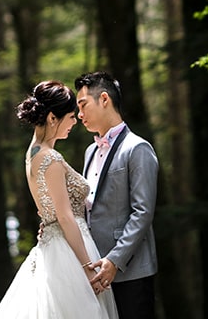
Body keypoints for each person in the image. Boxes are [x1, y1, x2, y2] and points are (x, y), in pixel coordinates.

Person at [0, 80, 118, 319]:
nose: (75, 122)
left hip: (54, 243)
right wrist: (87, 268)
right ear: (52, 118)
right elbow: (65, 216)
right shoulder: (51, 158)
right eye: (70, 117)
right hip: (69, 249)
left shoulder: (32, 153)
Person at [74, 71, 158, 319]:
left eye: (83, 105)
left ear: (103, 99)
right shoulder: (90, 151)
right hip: (95, 271)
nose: (79, 115)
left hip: (131, 271)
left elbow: (143, 212)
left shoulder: (138, 148)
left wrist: (115, 260)